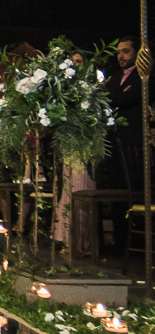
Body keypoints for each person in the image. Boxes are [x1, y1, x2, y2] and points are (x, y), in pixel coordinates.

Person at [53, 52, 95, 255]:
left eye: (79, 61)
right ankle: (68, 240)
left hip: (84, 146)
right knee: (67, 193)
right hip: (68, 146)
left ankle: (82, 243)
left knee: (80, 190)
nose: (75, 65)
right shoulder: (65, 89)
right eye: (72, 61)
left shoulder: (91, 88)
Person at [105, 36, 144, 253]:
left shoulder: (143, 76)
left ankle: (138, 238)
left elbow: (126, 99)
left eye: (126, 51)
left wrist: (114, 96)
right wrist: (116, 95)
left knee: (134, 190)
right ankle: (119, 239)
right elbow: (112, 97)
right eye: (119, 51)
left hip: (133, 144)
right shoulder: (114, 77)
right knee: (115, 190)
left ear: (137, 53)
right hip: (114, 142)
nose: (121, 55)